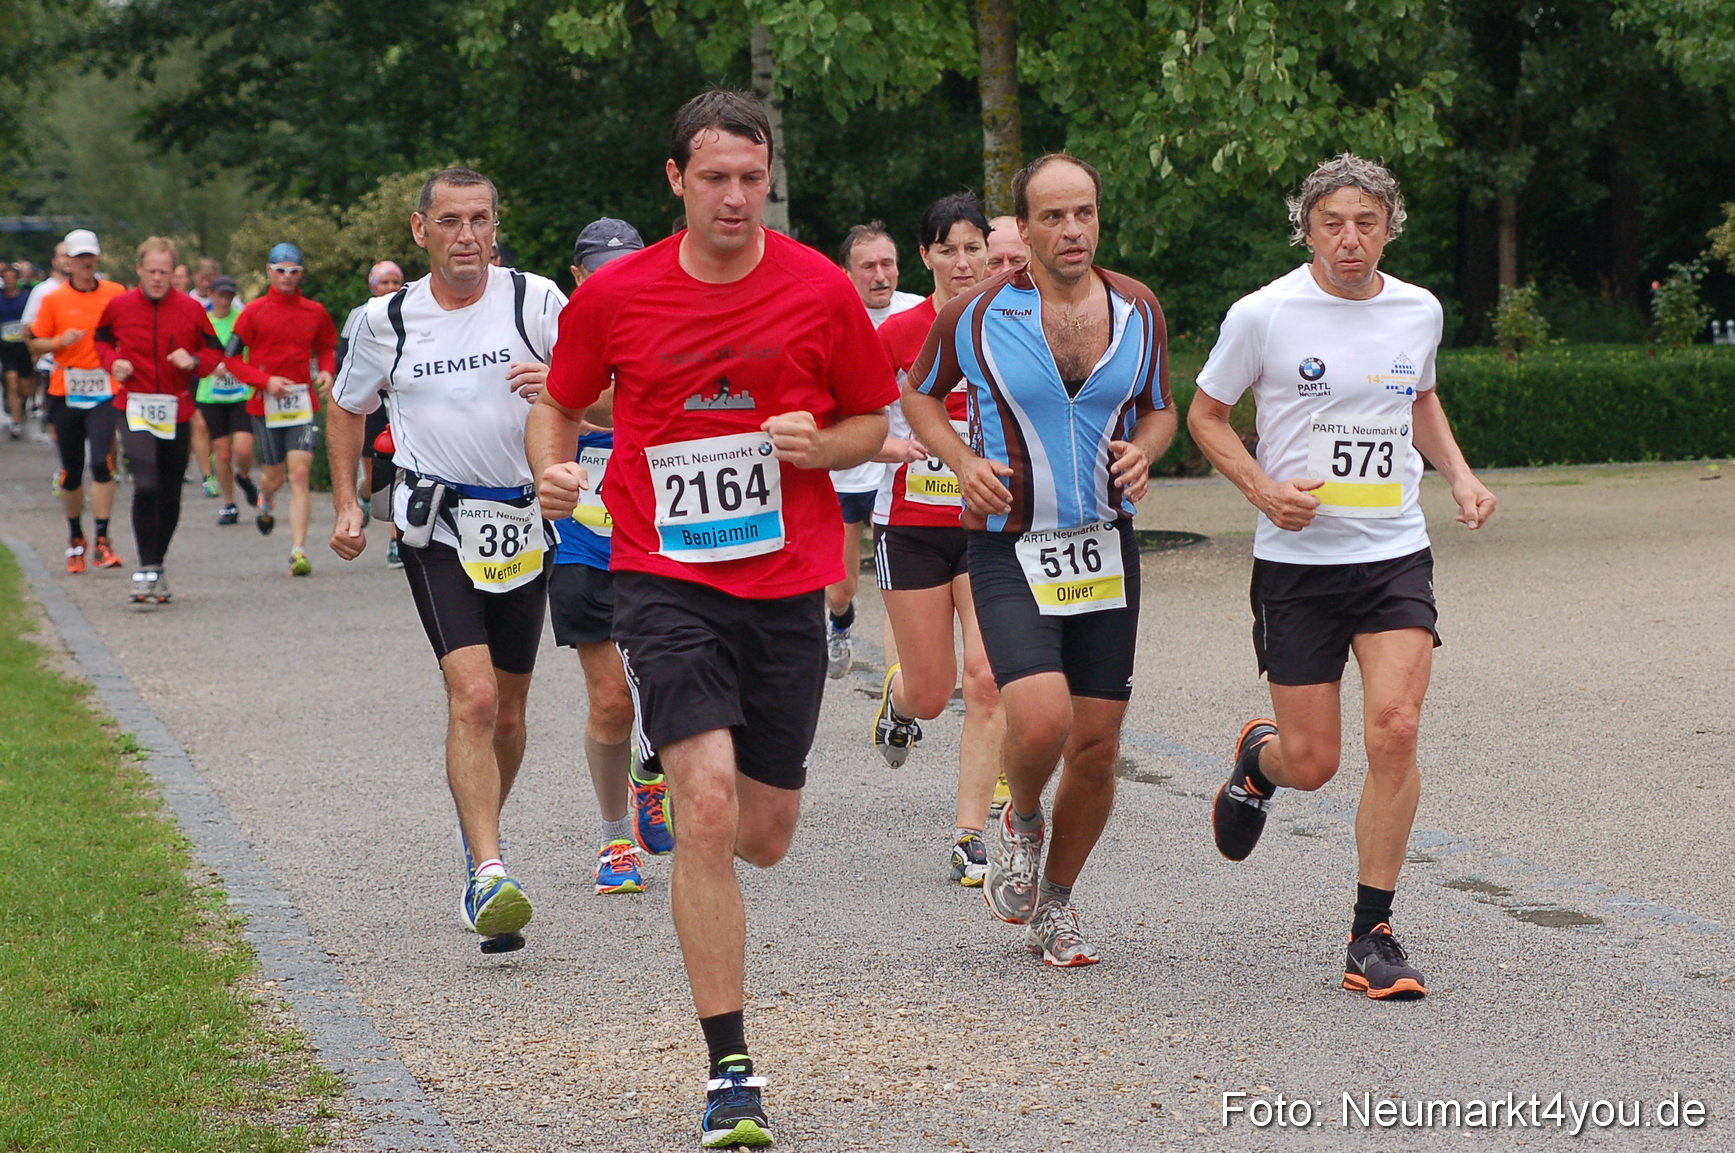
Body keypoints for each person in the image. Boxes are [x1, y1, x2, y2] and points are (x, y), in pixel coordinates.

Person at [529, 90, 896, 1150]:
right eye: (716, 177)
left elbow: (872, 419)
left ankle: (715, 804)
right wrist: (550, 467)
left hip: (784, 582)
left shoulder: (822, 290)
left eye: (753, 178)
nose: (736, 196)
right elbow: (561, 396)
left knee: (764, 835)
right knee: (703, 805)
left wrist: (822, 446)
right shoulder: (619, 293)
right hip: (664, 579)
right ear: (676, 180)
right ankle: (730, 1066)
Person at [1188, 153, 1498, 1001]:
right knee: (1316, 760)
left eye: (1366, 222)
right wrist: (1259, 487)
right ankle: (1260, 759)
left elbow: (1420, 399)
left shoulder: (1417, 309)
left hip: (1392, 552)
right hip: (1296, 565)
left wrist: (1460, 476)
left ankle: (1372, 932)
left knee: (1394, 728)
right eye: (1333, 223)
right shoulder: (1264, 313)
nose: (1350, 238)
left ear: (1388, 227)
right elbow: (1204, 415)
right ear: (1308, 228)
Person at [904, 154, 1174, 968]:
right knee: (1044, 719)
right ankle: (1021, 814)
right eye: (1052, 217)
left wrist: (1146, 453)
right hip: (1008, 544)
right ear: (1021, 229)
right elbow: (919, 394)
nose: (1071, 231)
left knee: (1095, 744)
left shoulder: (1137, 308)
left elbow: (1160, 409)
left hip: (1103, 545)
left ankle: (1056, 900)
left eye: (1083, 213)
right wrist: (959, 458)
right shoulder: (977, 314)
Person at [329, 167, 565, 954]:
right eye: (451, 221)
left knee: (508, 708)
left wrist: (561, 388)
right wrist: (347, 503)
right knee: (470, 695)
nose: (467, 235)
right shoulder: (386, 317)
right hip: (435, 523)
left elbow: (604, 397)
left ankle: (478, 833)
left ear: (497, 227)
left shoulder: (536, 301)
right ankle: (491, 869)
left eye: (480, 220)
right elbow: (347, 406)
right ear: (419, 229)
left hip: (522, 521)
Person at [867, 193, 1006, 888]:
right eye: (945, 249)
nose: (961, 261)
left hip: (987, 528)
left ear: (988, 250)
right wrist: (896, 443)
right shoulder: (898, 331)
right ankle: (897, 706)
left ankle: (969, 834)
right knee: (931, 692)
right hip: (914, 528)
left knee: (986, 679)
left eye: (971, 247)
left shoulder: (1012, 323)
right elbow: (853, 410)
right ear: (924, 257)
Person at [546, 216, 675, 896]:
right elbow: (549, 409)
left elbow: (605, 402)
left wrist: (569, 391)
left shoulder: (664, 328)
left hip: (659, 541)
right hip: (582, 544)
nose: (610, 279)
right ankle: (613, 839)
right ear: (579, 275)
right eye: (598, 269)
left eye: (623, 265)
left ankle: (648, 772)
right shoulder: (553, 332)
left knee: (669, 687)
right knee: (608, 700)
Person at [94, 237, 224, 603]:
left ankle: (157, 565)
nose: (156, 278)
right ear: (138, 269)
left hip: (176, 408)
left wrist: (194, 361)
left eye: (164, 272)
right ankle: (145, 567)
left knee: (168, 491)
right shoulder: (119, 306)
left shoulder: (190, 309)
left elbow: (214, 351)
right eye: (150, 271)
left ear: (174, 273)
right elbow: (100, 340)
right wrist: (112, 362)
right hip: (133, 405)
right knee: (146, 482)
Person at [825, 222, 923, 677]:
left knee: (901, 587)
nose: (880, 275)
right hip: (850, 469)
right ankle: (840, 624)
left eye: (887, 264)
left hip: (908, 469)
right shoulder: (830, 321)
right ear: (847, 274)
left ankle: (902, 679)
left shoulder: (921, 312)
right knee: (842, 588)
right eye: (868, 267)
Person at [223, 242, 337, 575]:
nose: (287, 277)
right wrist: (264, 381)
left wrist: (327, 370)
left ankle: (297, 550)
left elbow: (326, 346)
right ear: (269, 272)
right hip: (265, 405)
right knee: (274, 476)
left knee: (299, 474)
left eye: (294, 272)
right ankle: (266, 495)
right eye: (281, 271)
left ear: (301, 274)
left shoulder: (314, 311)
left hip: (302, 403)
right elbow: (230, 358)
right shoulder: (253, 312)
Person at [27, 229, 127, 574]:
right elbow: (34, 344)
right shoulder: (53, 300)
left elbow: (128, 330)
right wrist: (59, 341)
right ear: (68, 261)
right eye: (79, 256)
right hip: (65, 392)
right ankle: (75, 537)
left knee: (101, 463)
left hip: (104, 390)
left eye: (91, 256)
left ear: (97, 258)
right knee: (71, 472)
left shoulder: (115, 294)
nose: (86, 262)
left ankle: (102, 538)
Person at [342, 259, 406, 565]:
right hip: (373, 400)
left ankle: (397, 540)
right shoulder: (360, 315)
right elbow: (345, 359)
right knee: (374, 472)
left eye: (396, 282)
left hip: (402, 398)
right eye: (385, 282)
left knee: (401, 469)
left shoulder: (411, 310)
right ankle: (366, 495)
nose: (391, 288)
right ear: (373, 286)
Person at [196, 276, 258, 525]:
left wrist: (239, 368)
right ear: (210, 294)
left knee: (243, 448)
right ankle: (229, 504)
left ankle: (243, 476)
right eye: (220, 295)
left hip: (241, 392)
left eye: (229, 296)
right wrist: (210, 366)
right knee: (222, 453)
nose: (224, 300)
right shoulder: (203, 322)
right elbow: (193, 353)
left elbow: (253, 352)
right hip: (211, 395)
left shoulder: (241, 320)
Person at [0, 263, 31, 438]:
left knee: (24, 388)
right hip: (6, 348)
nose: (9, 282)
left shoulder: (25, 298)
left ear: (17, 280)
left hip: (24, 347)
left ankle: (22, 404)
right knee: (12, 381)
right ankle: (16, 421)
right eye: (6, 278)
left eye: (12, 278)